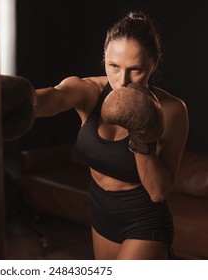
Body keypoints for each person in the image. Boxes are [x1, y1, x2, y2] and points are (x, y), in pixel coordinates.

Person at [32, 11, 189, 259]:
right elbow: (54, 97)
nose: (122, 81)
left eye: (135, 69)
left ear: (154, 64)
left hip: (144, 220)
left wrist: (142, 138)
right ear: (104, 58)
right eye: (114, 66)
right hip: (101, 213)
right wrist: (12, 98)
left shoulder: (171, 110)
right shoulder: (90, 92)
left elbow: (159, 192)